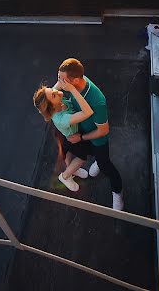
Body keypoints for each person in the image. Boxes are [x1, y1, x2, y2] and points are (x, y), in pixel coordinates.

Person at [54, 58, 124, 211]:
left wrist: (81, 137)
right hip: (81, 131)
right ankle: (95, 162)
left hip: (96, 137)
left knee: (106, 166)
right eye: (59, 78)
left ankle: (117, 192)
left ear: (76, 80)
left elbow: (103, 131)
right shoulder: (72, 85)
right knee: (75, 150)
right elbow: (53, 93)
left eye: (63, 80)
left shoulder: (97, 101)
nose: (60, 83)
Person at [33, 78, 94, 192]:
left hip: (64, 134)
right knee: (81, 158)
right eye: (53, 95)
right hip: (73, 137)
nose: (56, 91)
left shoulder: (54, 99)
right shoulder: (62, 119)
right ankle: (65, 176)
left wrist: (63, 76)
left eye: (51, 90)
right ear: (53, 108)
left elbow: (59, 82)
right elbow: (88, 112)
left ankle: (72, 169)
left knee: (67, 153)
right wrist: (72, 89)